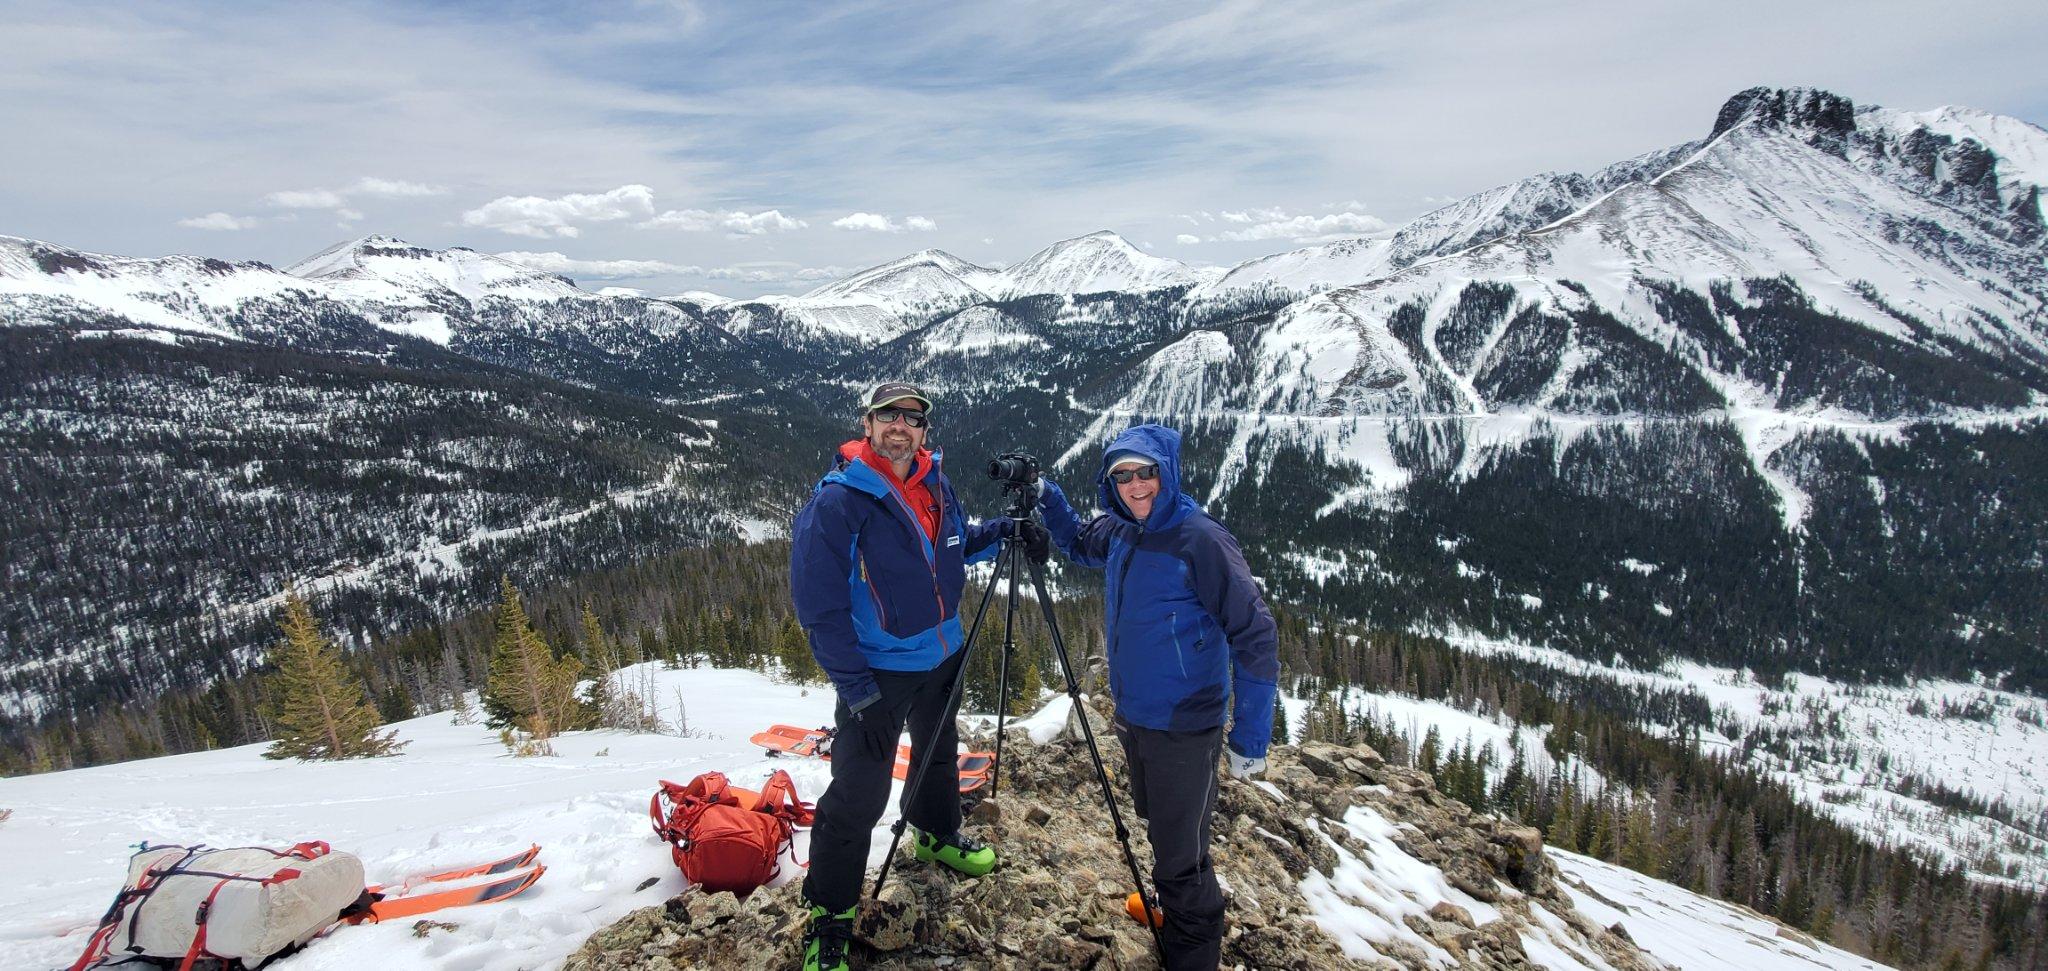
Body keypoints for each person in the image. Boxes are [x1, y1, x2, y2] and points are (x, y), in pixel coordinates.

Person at [1035, 422, 1279, 971]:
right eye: (1123, 476)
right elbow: (1076, 543)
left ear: (1168, 472)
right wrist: (1047, 496)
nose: (1136, 486)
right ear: (1111, 484)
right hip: (1138, 717)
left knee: (1181, 859)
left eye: (1147, 472)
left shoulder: (1200, 539)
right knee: (1166, 829)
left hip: (1185, 725)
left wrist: (1250, 736)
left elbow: (1255, 634)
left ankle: (1193, 952)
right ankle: (1175, 913)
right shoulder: (1123, 531)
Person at [788, 382, 1009, 971]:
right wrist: (854, 686)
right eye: (889, 416)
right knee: (858, 793)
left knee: (938, 752)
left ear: (924, 432)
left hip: (942, 653)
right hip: (877, 672)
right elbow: (819, 608)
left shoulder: (936, 483)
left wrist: (1001, 532)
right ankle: (829, 917)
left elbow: (951, 552)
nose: (900, 427)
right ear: (868, 423)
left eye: (912, 419)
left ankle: (935, 832)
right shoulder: (839, 501)